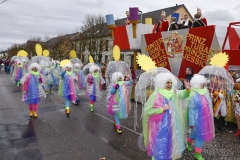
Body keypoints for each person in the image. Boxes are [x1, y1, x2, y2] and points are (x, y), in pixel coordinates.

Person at [142, 72, 190, 160]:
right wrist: (162, 109)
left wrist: (187, 90)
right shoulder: (156, 95)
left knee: (171, 144)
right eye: (167, 82)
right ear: (162, 83)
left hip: (173, 124)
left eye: (171, 82)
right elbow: (148, 111)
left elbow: (183, 95)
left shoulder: (174, 93)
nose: (170, 84)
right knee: (160, 144)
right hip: (160, 126)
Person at [186, 74, 214, 160]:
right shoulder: (194, 96)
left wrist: (211, 98)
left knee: (195, 134)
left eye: (204, 83)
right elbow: (191, 110)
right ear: (198, 84)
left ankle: (188, 142)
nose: (204, 85)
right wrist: (191, 122)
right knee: (200, 136)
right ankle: (197, 154)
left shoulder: (204, 92)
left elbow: (207, 105)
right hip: (197, 120)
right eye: (202, 83)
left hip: (205, 119)